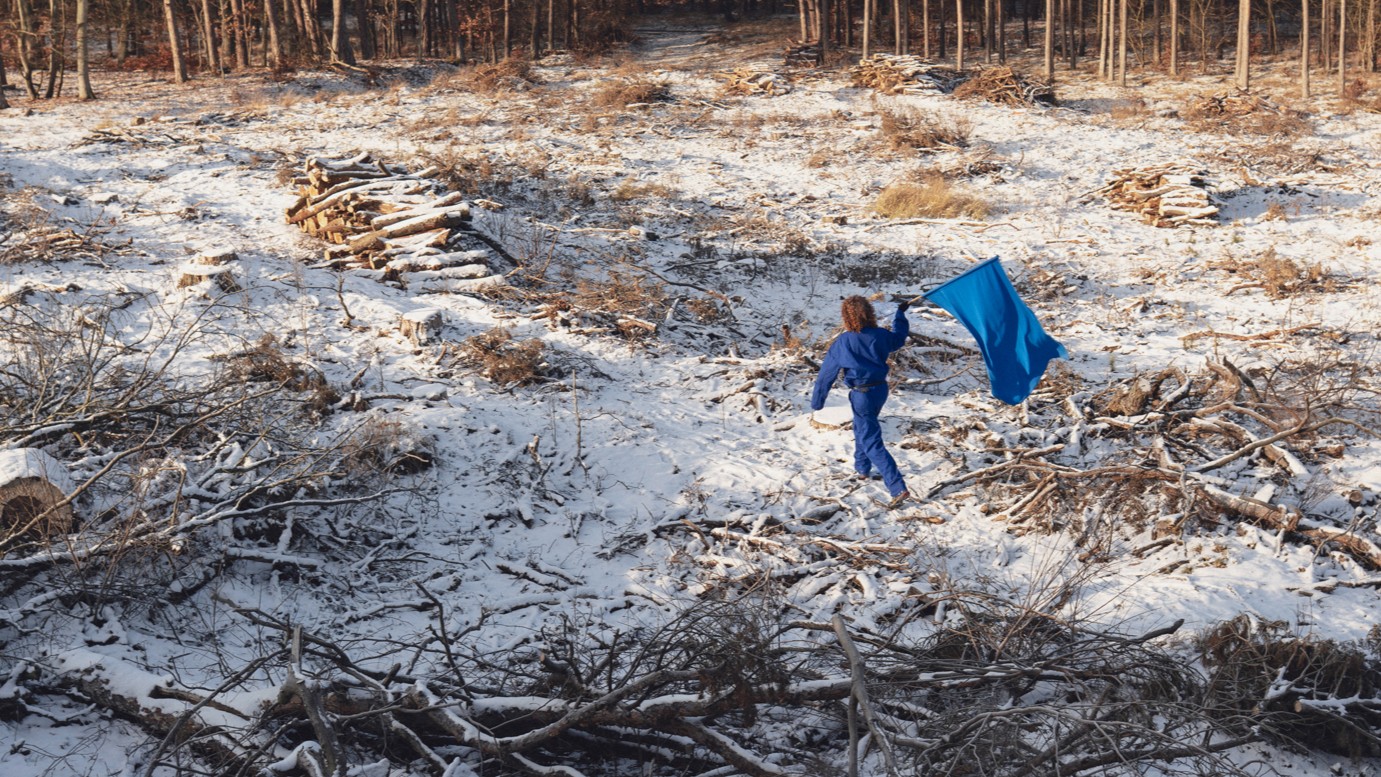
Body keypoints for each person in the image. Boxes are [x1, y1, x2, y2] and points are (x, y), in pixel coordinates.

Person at [810, 296, 910, 507]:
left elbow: (826, 375)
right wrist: (900, 315)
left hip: (862, 394)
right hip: (880, 390)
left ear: (846, 317)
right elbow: (899, 338)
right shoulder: (881, 335)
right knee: (862, 427)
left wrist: (817, 402)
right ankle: (862, 469)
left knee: (870, 439)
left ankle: (897, 487)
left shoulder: (844, 342)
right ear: (869, 312)